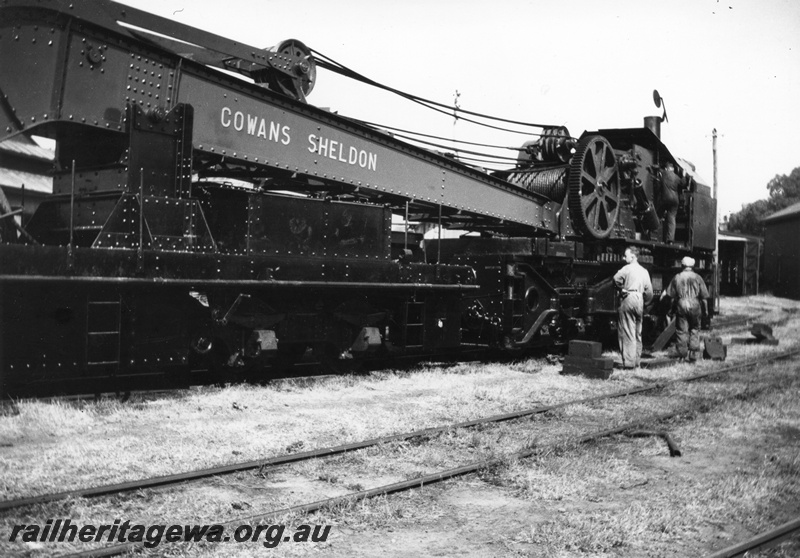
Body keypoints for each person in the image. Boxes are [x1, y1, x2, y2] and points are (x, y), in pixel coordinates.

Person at [662, 256, 710, 362]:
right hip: (695, 304)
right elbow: (704, 297)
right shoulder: (698, 277)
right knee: (695, 328)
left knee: (681, 330)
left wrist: (670, 310)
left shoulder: (677, 277)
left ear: (682, 265)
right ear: (692, 266)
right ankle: (693, 354)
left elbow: (671, 296)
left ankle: (682, 355)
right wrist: (706, 311)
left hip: (681, 304)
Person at [613, 246, 654, 369]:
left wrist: (621, 289)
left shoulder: (626, 268)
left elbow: (615, 279)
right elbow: (650, 292)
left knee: (627, 331)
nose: (624, 258)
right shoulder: (644, 271)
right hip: (639, 299)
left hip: (628, 297)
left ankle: (629, 363)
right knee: (638, 332)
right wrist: (644, 303)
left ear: (633, 256)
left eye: (626, 256)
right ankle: (636, 361)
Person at [659, 162, 681, 244]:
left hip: (665, 199)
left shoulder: (664, 173)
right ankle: (670, 240)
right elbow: (683, 183)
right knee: (671, 218)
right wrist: (685, 176)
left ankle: (656, 233)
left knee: (658, 213)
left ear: (666, 168)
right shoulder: (676, 176)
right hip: (675, 200)